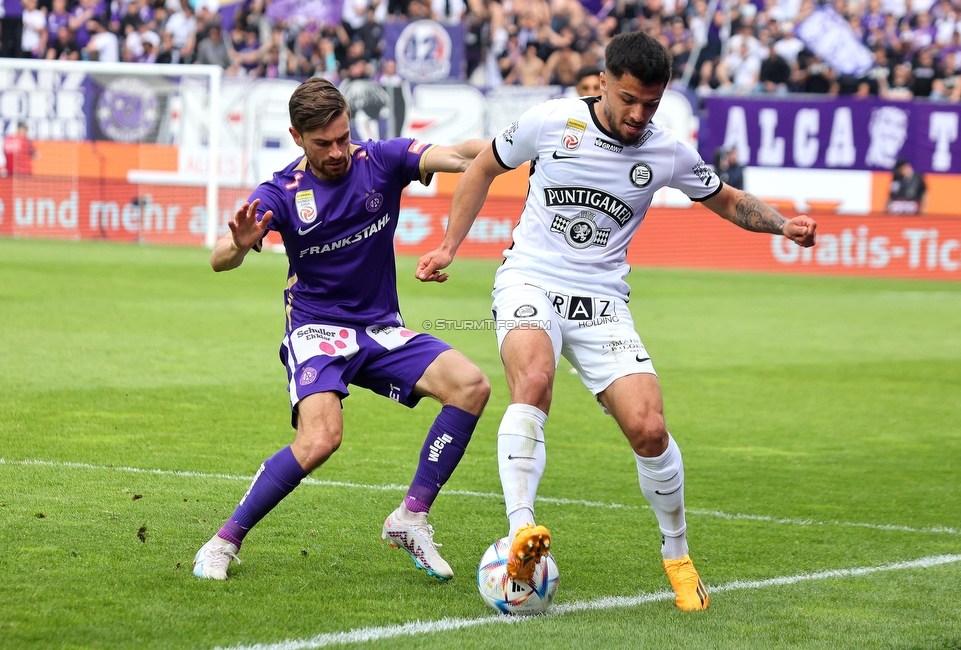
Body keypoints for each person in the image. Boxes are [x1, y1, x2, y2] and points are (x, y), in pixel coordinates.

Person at [417, 32, 817, 611]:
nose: (638, 114)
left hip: (602, 300)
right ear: (603, 81)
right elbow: (482, 167)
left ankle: (677, 555)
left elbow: (726, 199)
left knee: (650, 429)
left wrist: (782, 225)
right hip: (530, 278)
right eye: (628, 98)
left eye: (651, 104)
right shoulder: (551, 121)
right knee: (533, 382)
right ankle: (521, 533)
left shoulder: (666, 150)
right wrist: (451, 245)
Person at [192, 77, 491, 582]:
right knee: (320, 440)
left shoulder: (382, 160)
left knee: (471, 387)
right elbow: (220, 259)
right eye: (323, 143)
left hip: (379, 328)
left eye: (342, 137)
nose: (337, 151)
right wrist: (241, 243)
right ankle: (223, 542)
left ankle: (410, 518)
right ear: (296, 137)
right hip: (316, 330)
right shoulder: (281, 192)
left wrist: (511, 146)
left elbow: (463, 156)